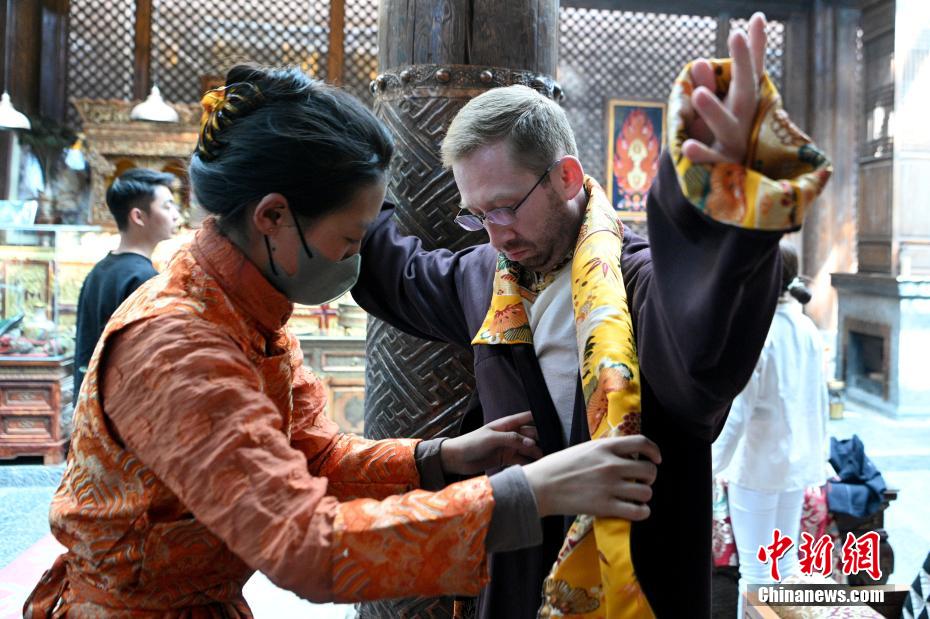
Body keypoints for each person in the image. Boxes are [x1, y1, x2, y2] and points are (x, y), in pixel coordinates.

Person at [23, 65, 663, 617]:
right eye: (352, 240)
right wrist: (533, 492)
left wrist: (440, 457)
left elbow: (315, 457)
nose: (357, 262)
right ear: (273, 217)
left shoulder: (250, 313)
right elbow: (305, 544)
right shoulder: (178, 347)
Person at [352, 13, 832, 618]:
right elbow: (398, 274)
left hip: (634, 581)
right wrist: (341, 169)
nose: (496, 233)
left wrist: (718, 204)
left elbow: (700, 353)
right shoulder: (488, 278)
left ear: (567, 176)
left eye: (505, 207)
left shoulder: (636, 278)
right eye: (477, 215)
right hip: (518, 574)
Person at [712, 241, 830, 617]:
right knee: (785, 564)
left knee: (757, 571)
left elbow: (739, 412)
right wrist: (821, 456)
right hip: (796, 465)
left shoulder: (758, 332)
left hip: (757, 466)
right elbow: (820, 402)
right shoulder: (807, 328)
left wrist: (712, 463)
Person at [72, 168, 180, 401]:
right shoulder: (144, 279)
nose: (176, 215)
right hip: (123, 405)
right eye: (167, 206)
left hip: (93, 401)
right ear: (138, 217)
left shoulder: (99, 271)